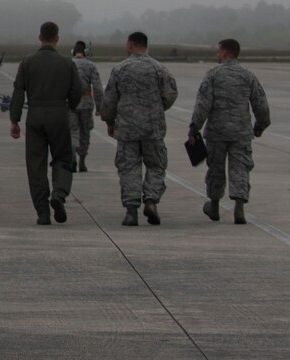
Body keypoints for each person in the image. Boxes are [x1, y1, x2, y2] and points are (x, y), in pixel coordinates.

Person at [9, 20, 85, 225]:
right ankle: (59, 195)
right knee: (63, 158)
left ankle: (42, 212)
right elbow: (77, 90)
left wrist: (14, 119)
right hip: (59, 114)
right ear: (57, 39)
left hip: (34, 116)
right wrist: (70, 105)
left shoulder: (27, 62)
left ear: (40, 37)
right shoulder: (66, 63)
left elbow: (18, 92)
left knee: (36, 166)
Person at [188, 37, 270, 224]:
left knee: (215, 169)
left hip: (217, 133)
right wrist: (260, 126)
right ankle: (239, 208)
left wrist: (194, 127)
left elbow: (203, 104)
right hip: (241, 133)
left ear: (225, 52)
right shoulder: (248, 75)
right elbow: (261, 104)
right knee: (240, 168)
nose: (217, 55)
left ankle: (214, 206)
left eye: (218, 51)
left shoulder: (212, 74)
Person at [98, 31, 177, 225]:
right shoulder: (159, 68)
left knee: (128, 168)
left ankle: (131, 210)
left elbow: (109, 100)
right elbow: (170, 94)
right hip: (153, 128)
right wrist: (156, 108)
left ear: (131, 45)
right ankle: (151, 201)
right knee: (156, 166)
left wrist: (109, 122)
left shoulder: (120, 69)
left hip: (127, 129)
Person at [70, 41, 104, 173]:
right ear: (86, 52)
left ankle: (72, 155)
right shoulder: (91, 66)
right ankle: (82, 160)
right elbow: (98, 88)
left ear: (73, 52)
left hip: (71, 103)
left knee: (72, 130)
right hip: (86, 103)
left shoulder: (68, 64)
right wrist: (99, 107)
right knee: (85, 131)